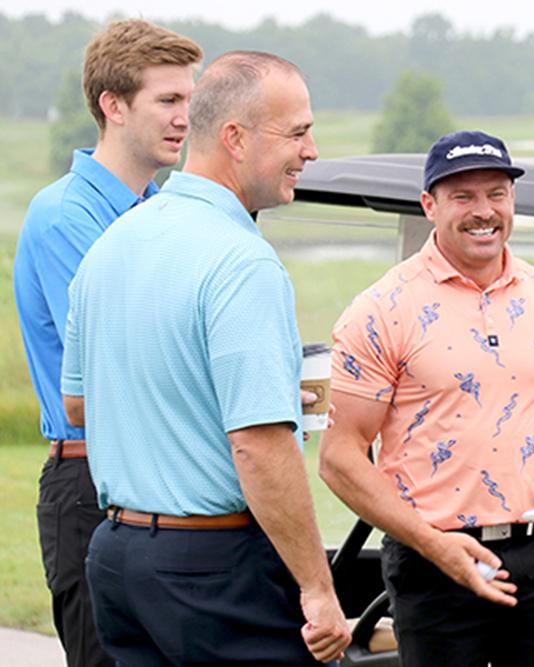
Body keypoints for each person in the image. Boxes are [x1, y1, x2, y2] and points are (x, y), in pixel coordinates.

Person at [60, 51, 351, 665]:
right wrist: (317, 588)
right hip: (212, 569)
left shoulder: (113, 243)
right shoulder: (241, 262)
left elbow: (79, 404)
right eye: (297, 132)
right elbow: (258, 444)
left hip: (116, 557)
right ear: (235, 139)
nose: (313, 149)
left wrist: (203, 395)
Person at [320, 129, 534, 666]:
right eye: (463, 196)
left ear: (512, 200)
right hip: (431, 562)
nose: (483, 211)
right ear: (430, 205)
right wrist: (431, 543)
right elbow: (339, 456)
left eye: (496, 193)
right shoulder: (382, 308)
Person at [12, 19, 201, 667]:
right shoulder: (69, 214)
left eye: (190, 101)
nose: (186, 118)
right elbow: (122, 361)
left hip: (155, 480)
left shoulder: (158, 211)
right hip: (91, 480)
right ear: (112, 106)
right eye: (168, 101)